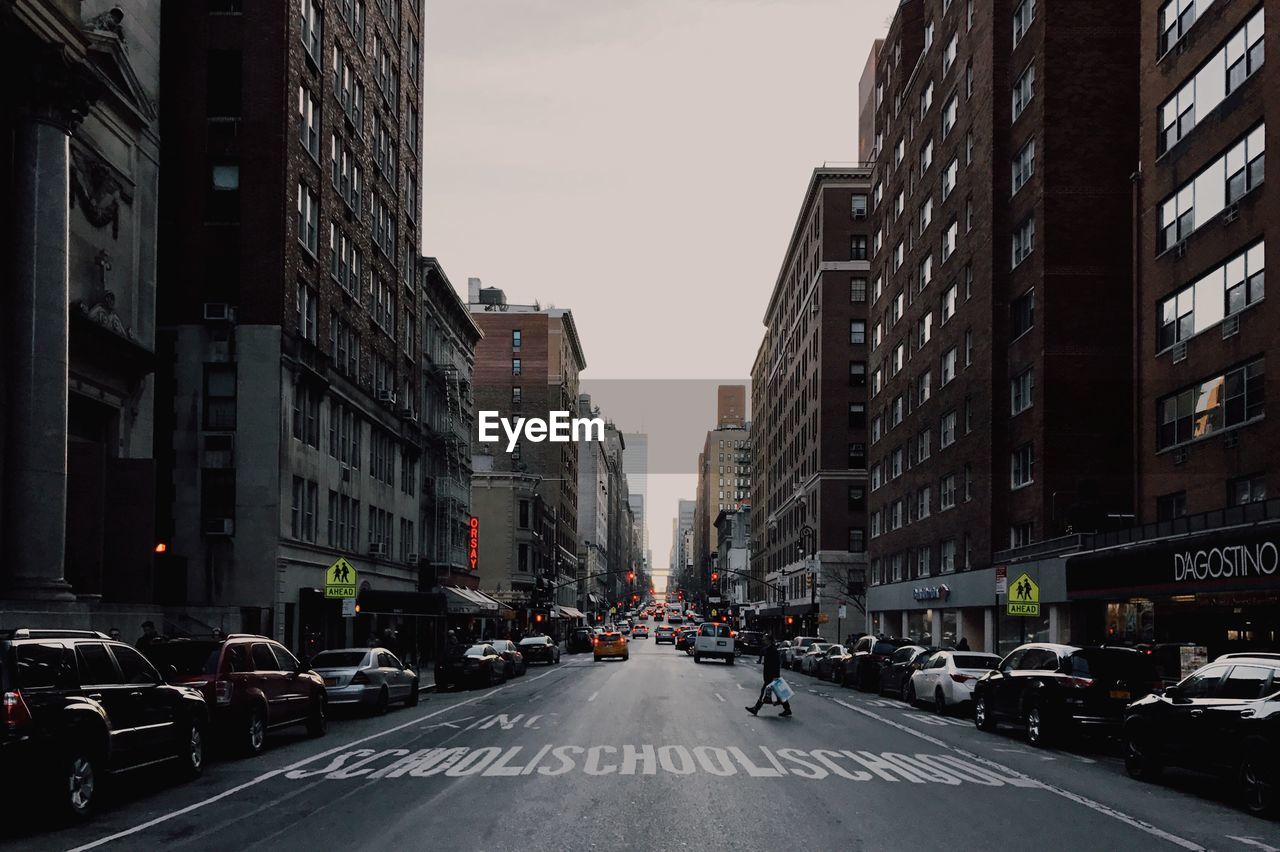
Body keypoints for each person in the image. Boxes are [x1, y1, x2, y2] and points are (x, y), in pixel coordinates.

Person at [746, 635, 791, 717]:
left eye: (765, 640)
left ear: (769, 640)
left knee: (764, 692)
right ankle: (787, 709)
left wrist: (775, 676)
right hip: (769, 675)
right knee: (779, 693)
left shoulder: (773, 650)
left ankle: (756, 708)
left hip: (771, 675)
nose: (763, 641)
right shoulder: (768, 649)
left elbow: (776, 664)